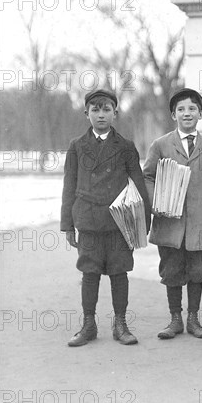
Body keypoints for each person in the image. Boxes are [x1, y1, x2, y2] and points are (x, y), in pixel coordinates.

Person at [62, 89, 151, 347]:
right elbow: (69, 186)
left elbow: (139, 185)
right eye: (95, 109)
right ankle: (88, 324)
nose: (101, 115)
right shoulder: (77, 147)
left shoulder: (125, 147)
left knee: (119, 272)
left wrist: (143, 221)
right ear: (86, 113)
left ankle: (120, 324)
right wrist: (68, 224)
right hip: (88, 221)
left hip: (118, 221)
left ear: (115, 112)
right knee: (89, 273)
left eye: (106, 109)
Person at [143, 88, 202, 340]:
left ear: (200, 114)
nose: (186, 113)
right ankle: (175, 319)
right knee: (171, 269)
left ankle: (193, 319)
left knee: (197, 270)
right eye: (181, 109)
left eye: (191, 109)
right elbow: (147, 176)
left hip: (200, 219)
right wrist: (157, 200)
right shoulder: (161, 145)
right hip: (170, 220)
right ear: (173, 115)